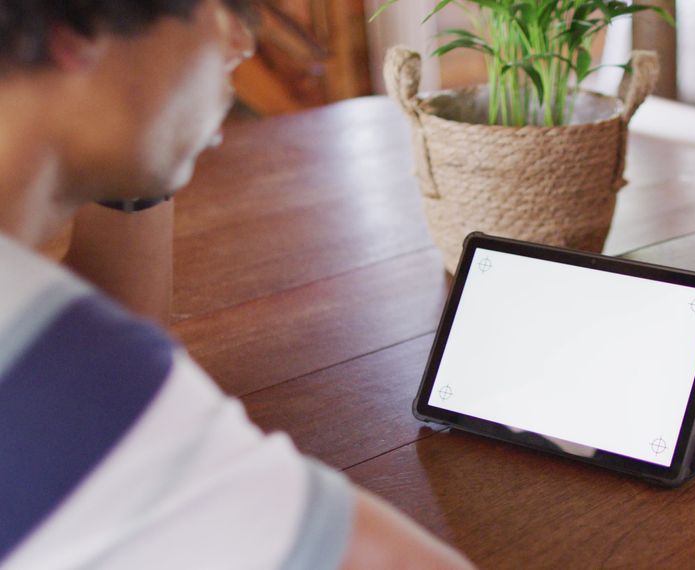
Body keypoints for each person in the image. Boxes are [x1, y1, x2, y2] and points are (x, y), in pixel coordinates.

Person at [0, 1, 474, 568]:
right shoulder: (58, 382)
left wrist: (138, 138)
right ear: (75, 29)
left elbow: (109, 334)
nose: (241, 47)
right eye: (223, 8)